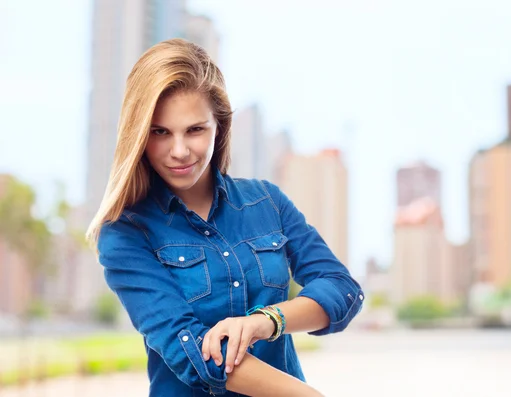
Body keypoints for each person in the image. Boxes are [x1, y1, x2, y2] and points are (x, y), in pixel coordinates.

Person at [86, 38, 364, 397]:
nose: (180, 151)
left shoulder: (267, 202)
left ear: (219, 126)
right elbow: (194, 354)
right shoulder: (125, 232)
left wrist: (267, 321)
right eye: (160, 133)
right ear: (139, 136)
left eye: (195, 130)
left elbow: (342, 289)